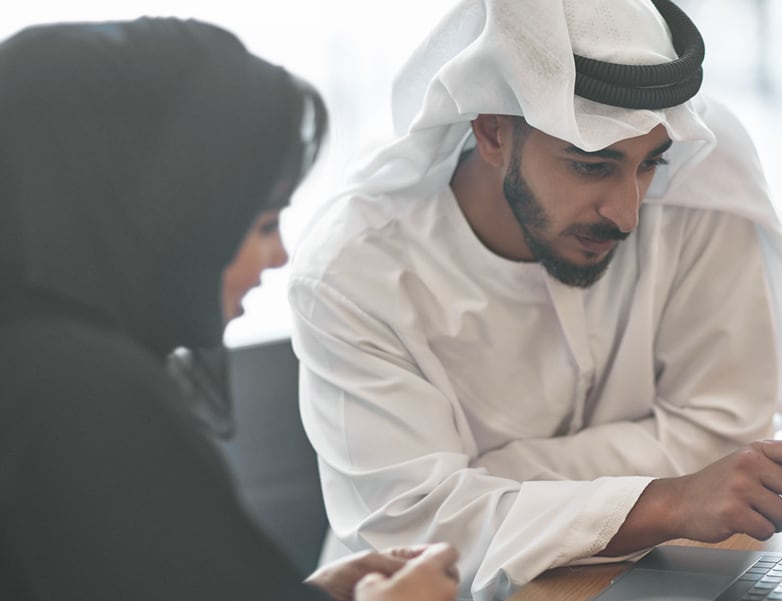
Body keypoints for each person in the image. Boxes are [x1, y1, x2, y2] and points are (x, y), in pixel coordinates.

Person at [289, 0, 782, 597]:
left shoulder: (700, 187)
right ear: (493, 131)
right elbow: (417, 531)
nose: (628, 212)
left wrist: (494, 482)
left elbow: (727, 433)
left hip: (654, 575)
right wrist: (669, 500)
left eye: (647, 167)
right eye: (591, 167)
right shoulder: (355, 272)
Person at [0, 18, 458, 601]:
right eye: (262, 222)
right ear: (170, 219)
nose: (279, 255)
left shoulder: (30, 359)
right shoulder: (83, 395)